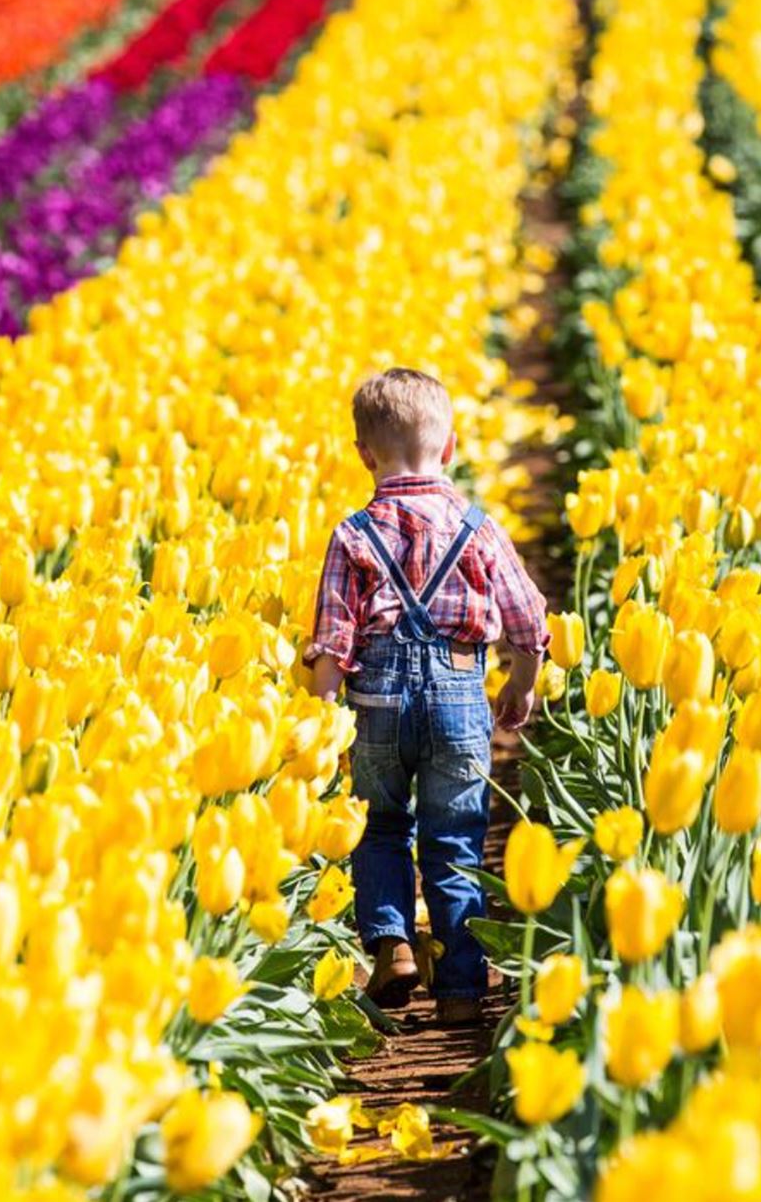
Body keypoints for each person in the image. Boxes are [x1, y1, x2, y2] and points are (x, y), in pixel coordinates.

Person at [307, 367, 548, 1027]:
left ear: (364, 453)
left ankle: (392, 944)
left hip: (376, 703)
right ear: (451, 448)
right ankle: (463, 987)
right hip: (460, 699)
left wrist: (321, 728)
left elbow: (332, 643)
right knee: (455, 839)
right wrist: (519, 688)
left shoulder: (353, 534)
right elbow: (528, 620)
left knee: (380, 827)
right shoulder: (477, 527)